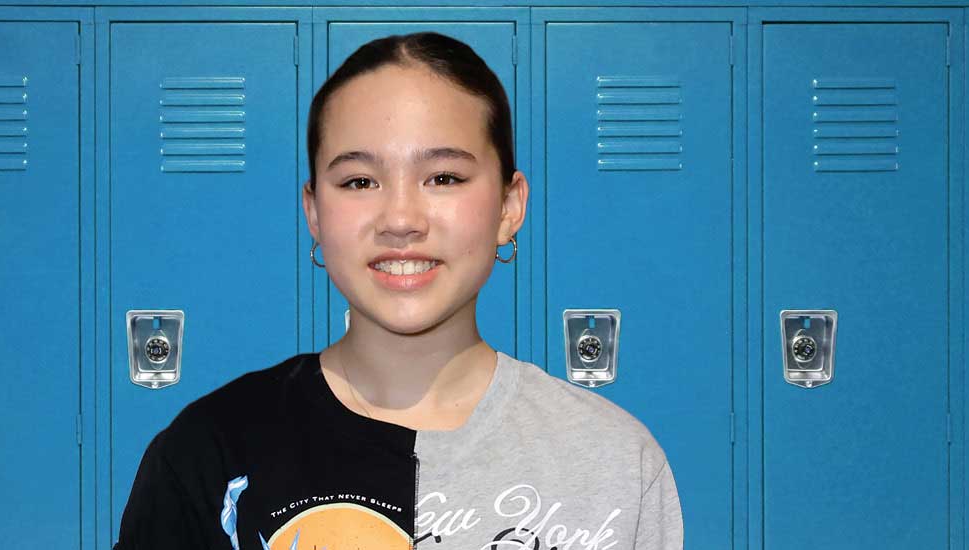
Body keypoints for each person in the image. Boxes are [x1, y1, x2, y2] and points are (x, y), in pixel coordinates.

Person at [114, 31, 682, 550]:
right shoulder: (209, 452)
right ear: (314, 211)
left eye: (444, 178)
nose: (401, 218)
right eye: (359, 181)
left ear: (510, 207)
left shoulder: (616, 461)